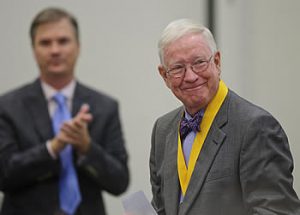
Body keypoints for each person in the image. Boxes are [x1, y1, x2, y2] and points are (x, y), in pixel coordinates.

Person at [150, 18, 300, 215]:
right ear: (164, 76)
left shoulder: (256, 127)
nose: (190, 76)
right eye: (178, 68)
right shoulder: (162, 129)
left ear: (217, 62)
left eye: (199, 62)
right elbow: (163, 208)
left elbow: (276, 212)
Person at [0, 7, 129, 215]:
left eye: (63, 41)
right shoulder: (7, 106)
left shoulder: (104, 107)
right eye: (45, 43)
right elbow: (4, 174)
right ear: (33, 49)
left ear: (78, 47)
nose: (55, 50)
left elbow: (120, 181)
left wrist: (87, 147)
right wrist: (52, 147)